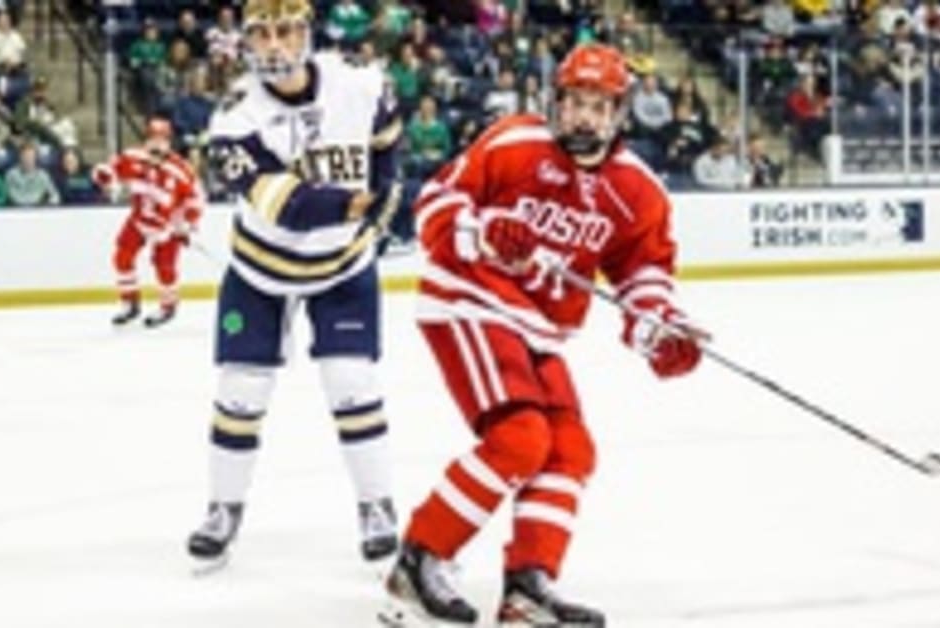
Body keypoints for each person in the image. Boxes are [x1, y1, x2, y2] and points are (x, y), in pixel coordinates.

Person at [379, 43, 706, 627]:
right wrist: (482, 230)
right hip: (470, 302)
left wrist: (659, 327)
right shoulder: (513, 142)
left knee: (569, 449)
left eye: (599, 107)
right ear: (555, 102)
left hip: (541, 330)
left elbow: (644, 272)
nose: (585, 117)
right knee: (519, 439)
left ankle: (528, 586)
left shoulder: (638, 190)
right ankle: (419, 559)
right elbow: (433, 204)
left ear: (619, 113)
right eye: (576, 103)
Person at [185, 0, 405, 570]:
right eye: (261, 35)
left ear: (307, 32)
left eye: (285, 31)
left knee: (351, 382)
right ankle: (223, 507)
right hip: (261, 271)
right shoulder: (233, 119)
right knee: (241, 391)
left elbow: (388, 145)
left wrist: (390, 198)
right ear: (247, 43)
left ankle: (376, 506)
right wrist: (365, 203)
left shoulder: (361, 84)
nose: (275, 46)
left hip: (342, 267)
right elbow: (286, 205)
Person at [91, 116, 203, 327]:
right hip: (139, 219)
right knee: (122, 256)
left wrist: (188, 224)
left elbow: (196, 199)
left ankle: (168, 306)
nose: (156, 144)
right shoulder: (132, 158)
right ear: (146, 141)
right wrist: (104, 177)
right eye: (153, 139)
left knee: (164, 266)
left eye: (162, 140)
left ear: (169, 143)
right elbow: (109, 170)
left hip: (167, 227)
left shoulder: (181, 171)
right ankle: (130, 302)